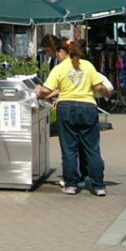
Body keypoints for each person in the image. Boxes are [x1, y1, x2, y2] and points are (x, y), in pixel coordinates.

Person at [37, 36, 110, 197]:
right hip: (88, 107)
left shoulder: (60, 68)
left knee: (69, 149)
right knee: (92, 149)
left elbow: (46, 90)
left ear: (62, 52)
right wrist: (108, 93)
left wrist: (37, 90)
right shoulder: (88, 66)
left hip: (67, 107)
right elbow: (99, 86)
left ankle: (71, 184)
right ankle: (99, 185)